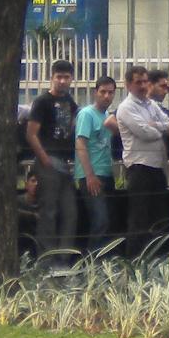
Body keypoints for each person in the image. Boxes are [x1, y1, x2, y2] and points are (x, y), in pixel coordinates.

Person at [113, 64, 169, 253]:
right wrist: (160, 128)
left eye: (145, 81)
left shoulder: (151, 105)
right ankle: (135, 259)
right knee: (139, 218)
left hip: (157, 166)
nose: (142, 86)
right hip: (139, 167)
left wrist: (155, 125)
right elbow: (145, 133)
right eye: (138, 82)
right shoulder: (125, 108)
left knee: (159, 215)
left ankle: (158, 256)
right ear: (128, 84)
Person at [26, 60, 83, 259]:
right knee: (48, 212)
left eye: (66, 77)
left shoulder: (71, 102)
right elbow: (31, 133)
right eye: (58, 77)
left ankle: (65, 258)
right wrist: (44, 159)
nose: (62, 81)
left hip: (67, 164)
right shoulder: (42, 101)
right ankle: (46, 259)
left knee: (70, 212)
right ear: (52, 78)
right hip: (48, 162)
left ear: (71, 79)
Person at [74, 74, 117, 253]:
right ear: (95, 93)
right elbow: (80, 143)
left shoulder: (108, 115)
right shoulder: (86, 114)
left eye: (111, 93)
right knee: (100, 220)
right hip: (91, 175)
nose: (107, 96)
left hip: (106, 173)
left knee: (107, 220)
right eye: (103, 92)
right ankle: (92, 261)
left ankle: (101, 259)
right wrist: (89, 175)